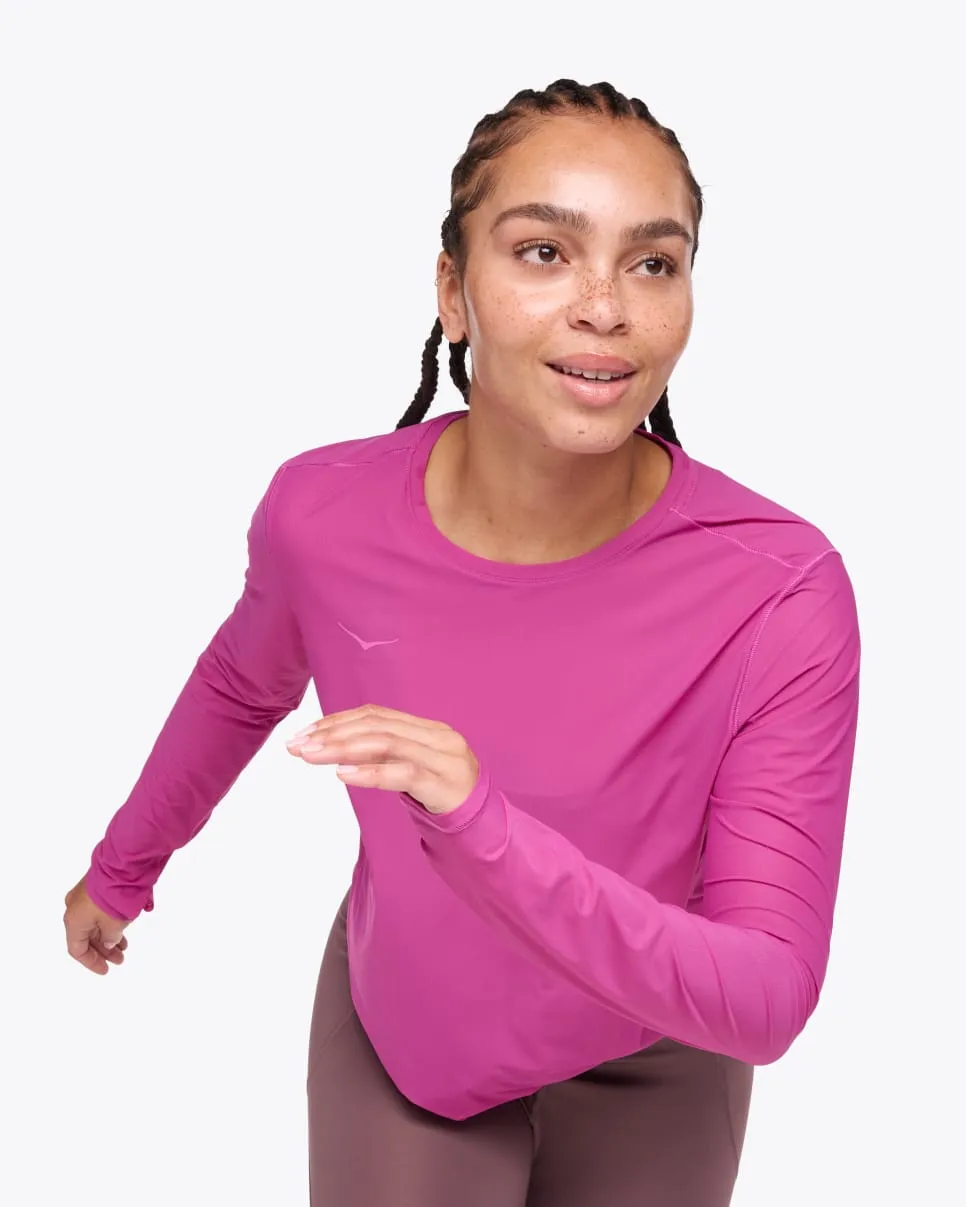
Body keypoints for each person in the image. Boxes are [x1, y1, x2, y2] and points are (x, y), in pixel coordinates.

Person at [63, 78, 861, 1206]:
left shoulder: (779, 588)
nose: (605, 308)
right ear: (452, 290)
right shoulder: (323, 515)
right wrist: (124, 866)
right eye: (544, 252)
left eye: (653, 262)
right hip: (414, 1043)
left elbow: (767, 995)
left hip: (662, 1047)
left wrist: (482, 827)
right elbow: (242, 684)